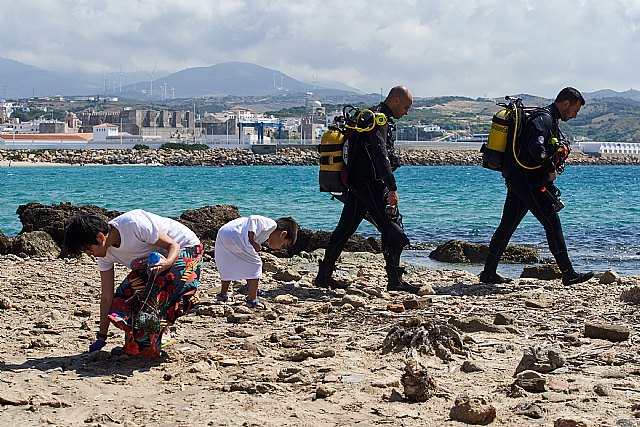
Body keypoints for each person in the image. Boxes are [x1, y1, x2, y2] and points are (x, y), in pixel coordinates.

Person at [480, 87, 594, 286]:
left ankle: (488, 273)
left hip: (519, 179)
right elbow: (536, 148)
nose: (575, 116)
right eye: (574, 111)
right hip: (528, 181)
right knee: (552, 224)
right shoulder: (544, 118)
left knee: (507, 225)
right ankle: (568, 274)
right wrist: (550, 168)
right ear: (566, 104)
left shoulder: (547, 119)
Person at [315, 86, 420, 293]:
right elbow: (380, 155)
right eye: (406, 107)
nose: (406, 112)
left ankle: (323, 276)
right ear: (396, 101)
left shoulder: (370, 116)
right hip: (370, 183)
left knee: (345, 229)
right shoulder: (378, 120)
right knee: (393, 227)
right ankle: (395, 280)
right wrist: (392, 187)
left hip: (356, 183)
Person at [64, 209, 204, 357]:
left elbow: (172, 245)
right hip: (155, 264)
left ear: (100, 237)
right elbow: (107, 296)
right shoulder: (104, 254)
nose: (88, 254)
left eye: (87, 249)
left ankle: (160, 333)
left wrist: (168, 262)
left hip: (185, 248)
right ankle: (142, 342)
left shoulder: (134, 224)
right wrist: (101, 337)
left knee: (158, 290)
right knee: (126, 292)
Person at [214, 215, 298, 308]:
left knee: (229, 264)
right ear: (283, 234)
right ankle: (252, 299)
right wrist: (252, 241)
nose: (281, 248)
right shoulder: (272, 224)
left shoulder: (265, 232)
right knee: (256, 265)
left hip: (224, 234)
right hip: (236, 235)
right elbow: (254, 219)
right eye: (283, 245)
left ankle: (222, 294)